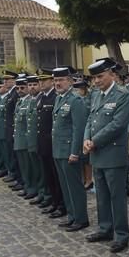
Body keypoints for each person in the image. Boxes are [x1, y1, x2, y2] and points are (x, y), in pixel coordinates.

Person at [83, 58, 129, 253]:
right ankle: (105, 228)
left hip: (113, 154)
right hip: (97, 154)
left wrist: (94, 141)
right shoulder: (96, 95)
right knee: (101, 196)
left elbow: (118, 124)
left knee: (116, 197)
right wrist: (86, 138)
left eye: (100, 76)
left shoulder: (122, 95)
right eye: (94, 78)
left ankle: (121, 235)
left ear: (112, 74)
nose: (96, 81)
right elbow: (90, 119)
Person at [52, 67, 89, 232]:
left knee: (74, 186)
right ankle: (72, 216)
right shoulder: (59, 99)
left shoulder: (75, 100)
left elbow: (78, 129)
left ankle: (81, 218)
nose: (58, 83)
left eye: (61, 80)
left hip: (69, 151)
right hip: (58, 150)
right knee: (65, 187)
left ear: (70, 81)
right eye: (55, 81)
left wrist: (75, 151)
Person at [37, 72, 66, 217]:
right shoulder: (42, 97)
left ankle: (61, 205)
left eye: (45, 80)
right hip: (43, 144)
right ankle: (54, 202)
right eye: (40, 81)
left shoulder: (55, 97)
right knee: (48, 176)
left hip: (52, 143)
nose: (41, 83)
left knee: (57, 177)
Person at [25, 76, 48, 206]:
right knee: (36, 169)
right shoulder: (30, 100)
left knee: (42, 170)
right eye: (30, 85)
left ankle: (45, 194)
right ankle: (40, 192)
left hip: (39, 141)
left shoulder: (41, 99)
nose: (32, 87)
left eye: (35, 84)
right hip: (31, 141)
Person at [13, 78, 36, 199]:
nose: (19, 90)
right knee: (23, 166)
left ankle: (32, 188)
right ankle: (27, 186)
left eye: (22, 88)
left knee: (28, 167)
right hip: (19, 140)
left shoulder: (30, 102)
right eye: (17, 88)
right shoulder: (19, 102)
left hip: (26, 140)